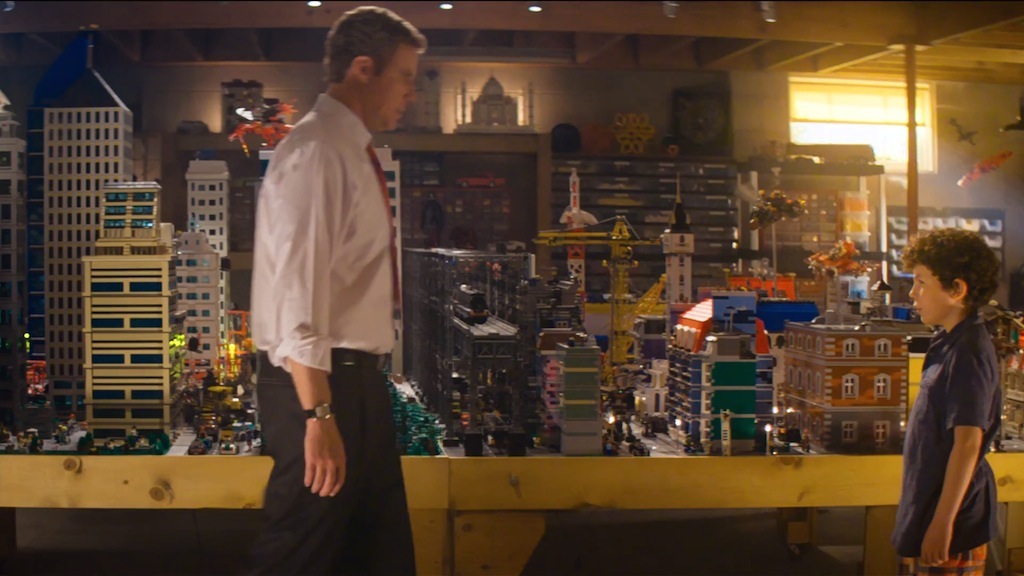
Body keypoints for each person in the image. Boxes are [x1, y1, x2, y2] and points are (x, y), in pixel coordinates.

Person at [248, 6, 425, 575]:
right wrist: (319, 415)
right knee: (300, 556)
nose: (413, 93)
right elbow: (296, 294)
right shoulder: (318, 151)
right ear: (363, 69)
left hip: (356, 385)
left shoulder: (347, 150)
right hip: (322, 389)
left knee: (376, 557)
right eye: (405, 76)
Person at [893, 228, 1002, 575]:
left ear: (957, 290)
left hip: (954, 524)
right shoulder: (948, 341)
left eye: (922, 282)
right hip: (928, 510)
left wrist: (943, 522)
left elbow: (968, 442)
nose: (913, 293)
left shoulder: (969, 352)